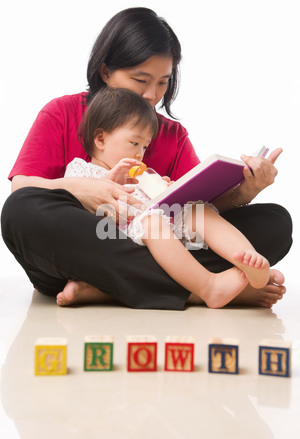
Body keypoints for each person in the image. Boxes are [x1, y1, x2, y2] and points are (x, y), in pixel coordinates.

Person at [1, 7, 292, 310]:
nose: (152, 95)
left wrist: (246, 191)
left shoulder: (171, 134)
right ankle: (197, 288)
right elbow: (22, 187)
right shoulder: (62, 112)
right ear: (105, 71)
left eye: (163, 82)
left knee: (275, 223)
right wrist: (83, 189)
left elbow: (198, 212)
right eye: (141, 80)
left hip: (155, 243)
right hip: (87, 244)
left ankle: (104, 288)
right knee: (20, 211)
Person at [58, 86, 275, 309]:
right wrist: (109, 183)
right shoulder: (81, 170)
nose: (139, 153)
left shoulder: (143, 174)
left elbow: (159, 204)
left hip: (161, 229)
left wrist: (168, 189)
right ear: (101, 140)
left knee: (198, 210)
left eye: (144, 146)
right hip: (121, 236)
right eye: (134, 143)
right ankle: (208, 286)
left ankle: (247, 258)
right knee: (151, 222)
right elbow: (78, 207)